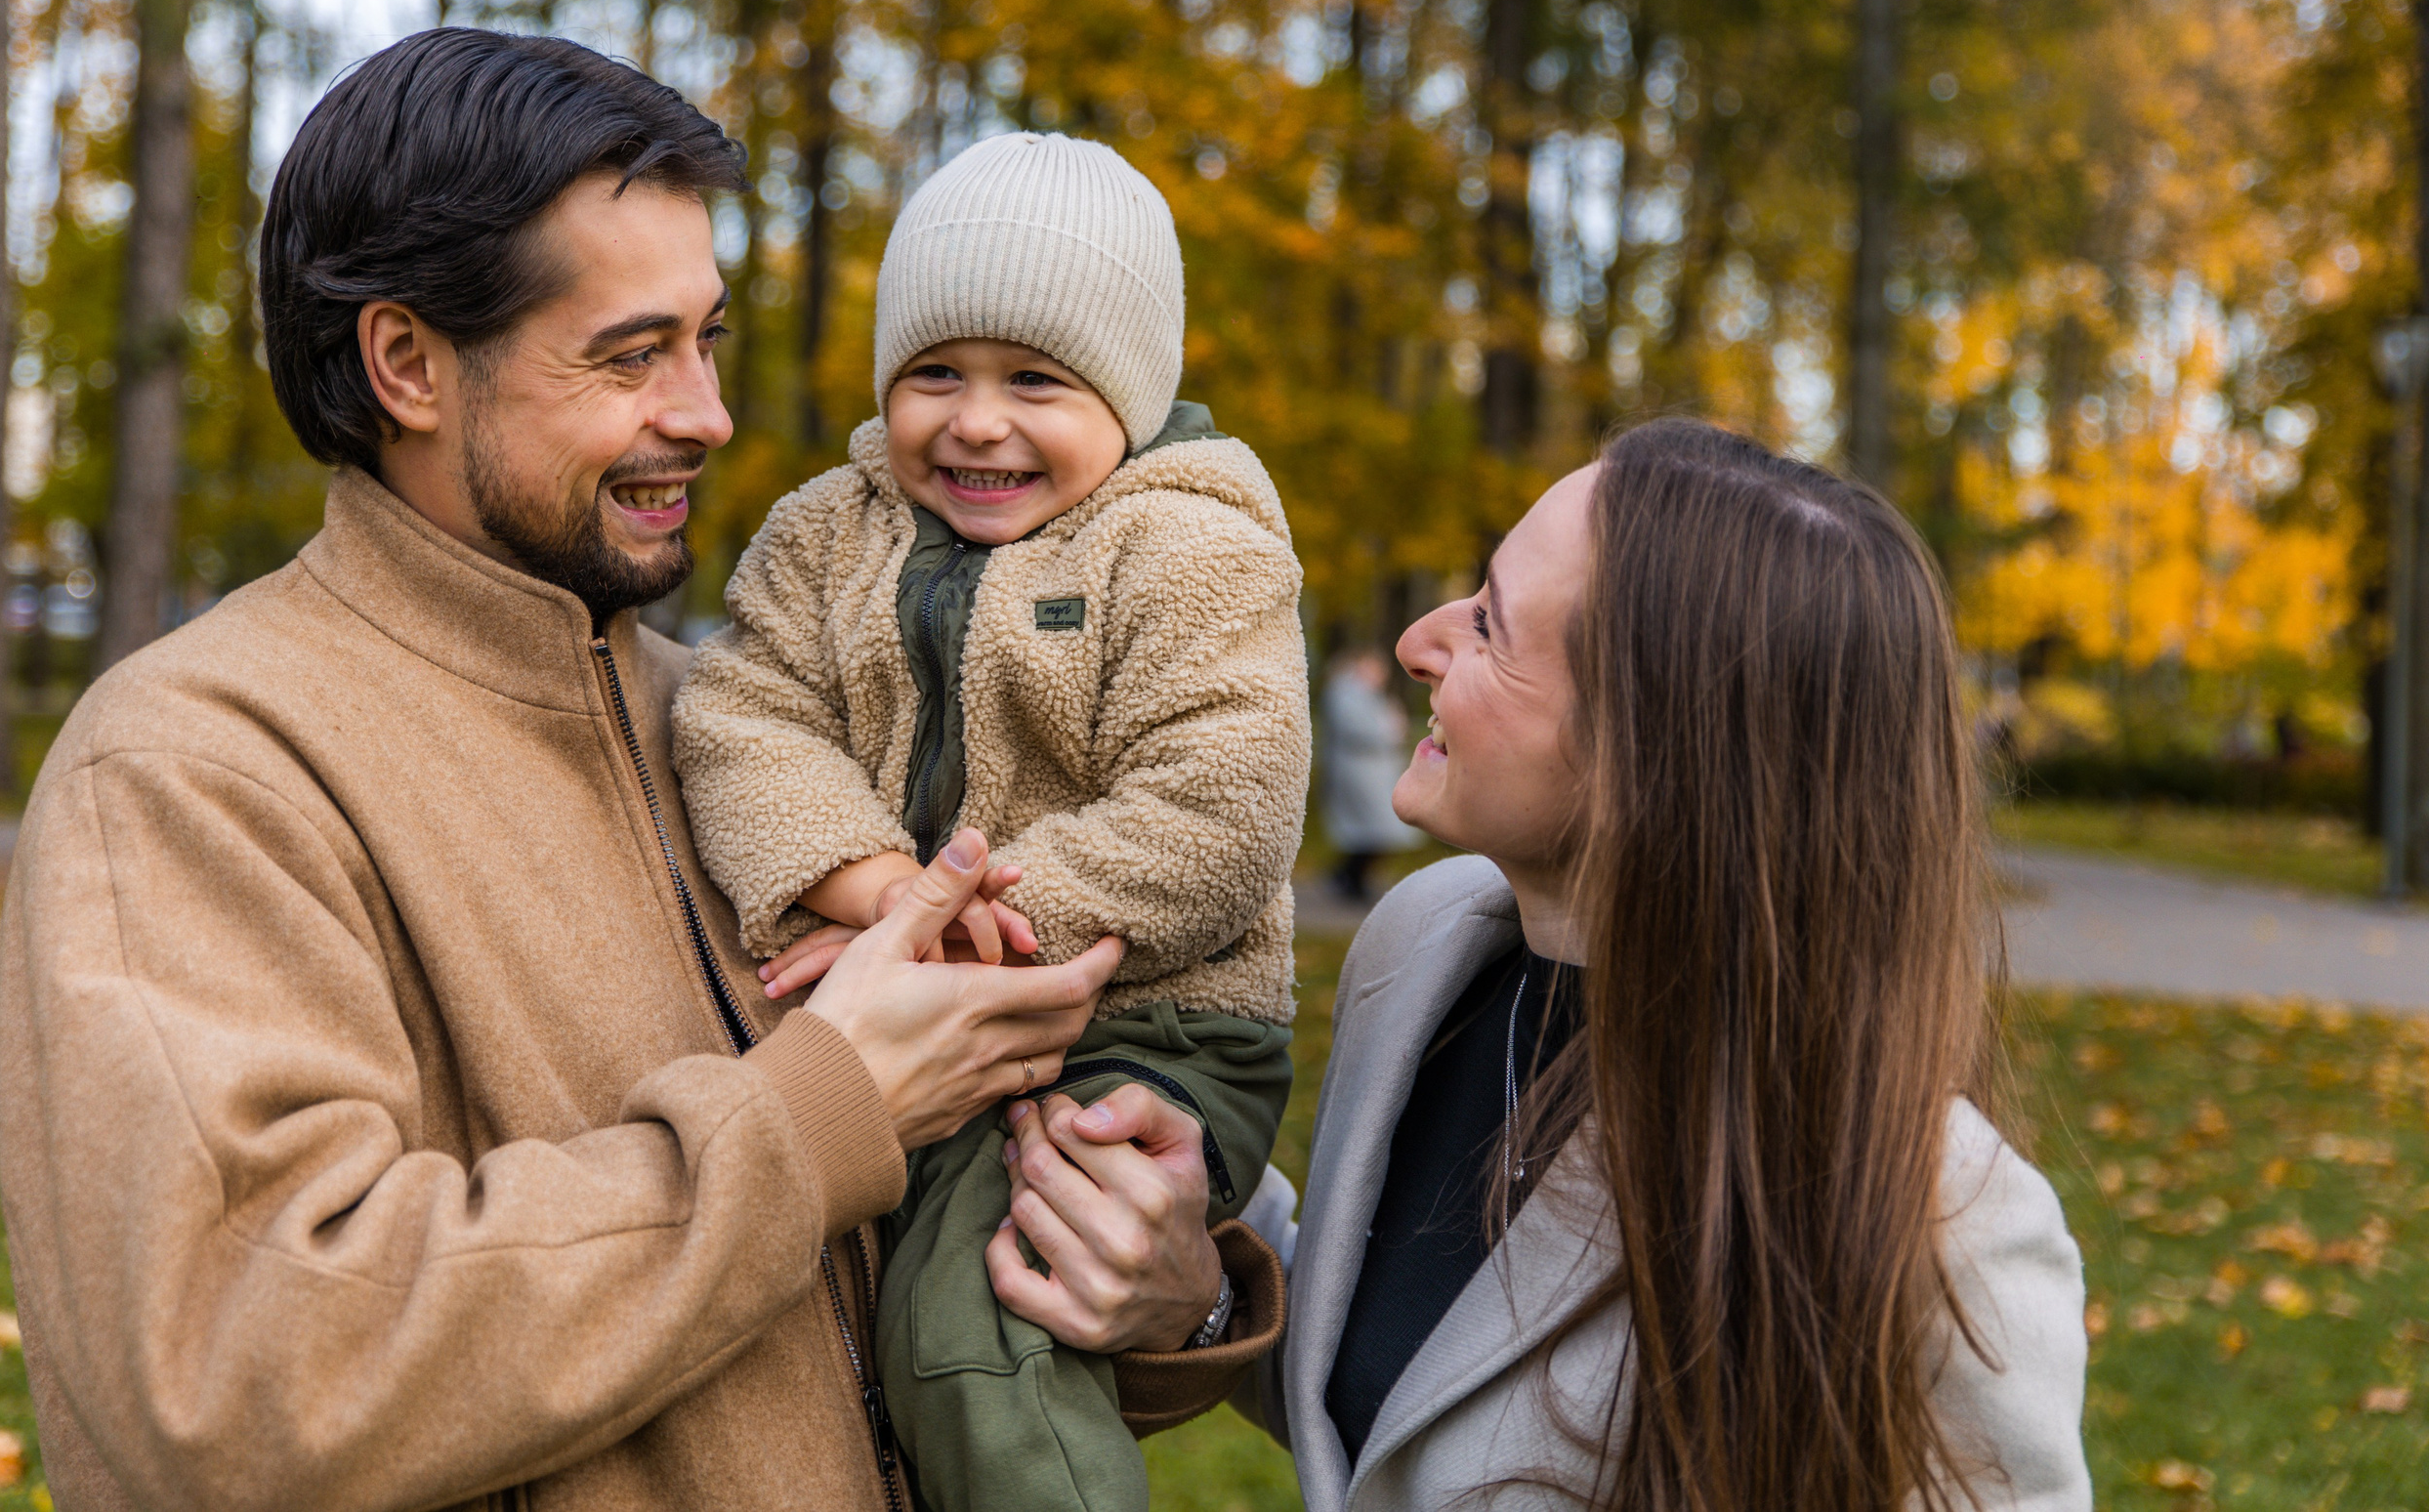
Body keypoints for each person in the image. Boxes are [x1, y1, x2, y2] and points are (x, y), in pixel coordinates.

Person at [0, 29, 1271, 1512]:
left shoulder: (747, 734)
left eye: (706, 340)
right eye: (630, 353)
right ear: (407, 361)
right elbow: (232, 1371)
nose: (707, 414)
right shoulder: (194, 768)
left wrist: (1166, 1290)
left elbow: (883, 1337)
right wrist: (820, 1109)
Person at [1002, 418, 2091, 1509]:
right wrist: (1194, 1274)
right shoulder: (1419, 954)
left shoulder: (1935, 1216)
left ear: (1653, 752)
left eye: (1490, 627)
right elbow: (1402, 1411)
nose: (1420, 642)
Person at [672, 130, 1306, 1512]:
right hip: (915, 982)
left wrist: (961, 932)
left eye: (1036, 380)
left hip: (1145, 1012)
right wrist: (869, 884)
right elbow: (739, 713)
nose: (974, 420)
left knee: (978, 1314)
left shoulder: (1190, 546)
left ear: (1129, 395)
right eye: (934, 373)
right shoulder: (828, 534)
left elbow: (1221, 804)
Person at [1319, 648, 1423, 901]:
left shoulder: (1367, 696)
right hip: (1359, 773)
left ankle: (1349, 877)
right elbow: (1363, 730)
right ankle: (1349, 879)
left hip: (1374, 771)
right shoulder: (1346, 694)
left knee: (1375, 830)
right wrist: (1390, 731)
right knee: (1371, 829)